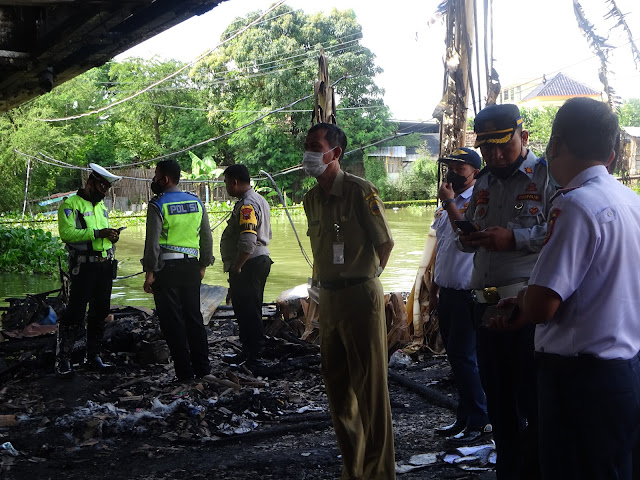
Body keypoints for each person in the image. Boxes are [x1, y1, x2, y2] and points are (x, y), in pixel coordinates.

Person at [490, 97, 640, 480]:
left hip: (580, 383)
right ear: (610, 154)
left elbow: (542, 306)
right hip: (624, 374)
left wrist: (523, 298)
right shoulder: (630, 202)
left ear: (555, 144)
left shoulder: (574, 206)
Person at [457, 103, 554, 478]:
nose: (496, 155)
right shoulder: (483, 182)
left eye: (503, 145)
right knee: (498, 404)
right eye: (487, 147)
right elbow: (473, 240)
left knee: (532, 401)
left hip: (525, 308)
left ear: (523, 137)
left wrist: (514, 237)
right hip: (484, 306)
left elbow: (562, 232)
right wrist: (472, 236)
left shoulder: (546, 177)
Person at [302, 123, 396, 480]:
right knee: (337, 388)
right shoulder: (312, 199)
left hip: (360, 295)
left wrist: (365, 277)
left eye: (315, 146)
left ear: (335, 154)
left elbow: (385, 244)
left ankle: (380, 473)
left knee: (370, 390)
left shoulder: (361, 192)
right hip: (329, 298)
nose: (308, 153)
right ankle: (353, 470)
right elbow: (321, 251)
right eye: (307, 146)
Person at [431, 147, 491, 445]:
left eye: (460, 167)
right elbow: (441, 250)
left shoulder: (478, 202)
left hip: (469, 293)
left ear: (475, 172)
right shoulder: (445, 206)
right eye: (450, 166)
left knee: (466, 358)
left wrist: (451, 201)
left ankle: (479, 421)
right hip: (448, 293)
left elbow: (466, 233)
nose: (453, 172)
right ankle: (463, 418)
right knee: (456, 359)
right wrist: (432, 291)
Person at [142, 159, 214, 382]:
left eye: (155, 175)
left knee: (173, 322)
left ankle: (185, 374)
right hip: (191, 267)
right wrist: (203, 264)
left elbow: (152, 244)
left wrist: (150, 274)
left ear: (165, 179)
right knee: (194, 318)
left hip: (167, 269)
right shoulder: (195, 202)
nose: (153, 179)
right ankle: (203, 369)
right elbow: (206, 237)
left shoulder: (158, 205)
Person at [56, 163, 122, 377]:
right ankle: (63, 359)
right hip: (83, 266)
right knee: (74, 313)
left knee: (100, 312)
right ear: (90, 183)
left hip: (104, 265)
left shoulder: (101, 207)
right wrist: (97, 233)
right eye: (101, 189)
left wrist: (111, 236)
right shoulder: (70, 204)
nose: (103, 194)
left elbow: (102, 234)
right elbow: (67, 234)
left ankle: (92, 356)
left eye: (106, 190)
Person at [219, 164, 273, 366]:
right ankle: (248, 351)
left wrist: (238, 266)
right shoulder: (258, 199)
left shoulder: (248, 204)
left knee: (248, 311)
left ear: (234, 182)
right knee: (248, 308)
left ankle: (255, 356)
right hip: (257, 261)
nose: (225, 187)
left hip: (249, 263)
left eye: (226, 183)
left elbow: (248, 240)